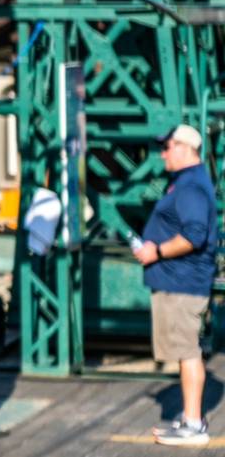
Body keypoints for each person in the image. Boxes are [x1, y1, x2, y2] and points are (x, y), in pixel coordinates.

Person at [134, 123, 216, 447]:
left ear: (186, 148)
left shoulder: (191, 187)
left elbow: (195, 234)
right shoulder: (184, 182)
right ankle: (189, 416)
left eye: (167, 147)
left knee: (187, 352)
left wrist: (157, 250)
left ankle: (194, 425)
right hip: (177, 281)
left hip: (183, 284)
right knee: (184, 352)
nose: (163, 154)